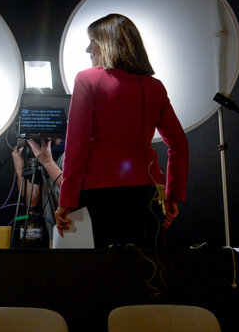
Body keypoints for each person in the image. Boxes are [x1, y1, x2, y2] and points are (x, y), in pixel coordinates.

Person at [55, 13, 189, 248]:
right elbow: (179, 144)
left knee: (101, 276)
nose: (88, 49)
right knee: (147, 275)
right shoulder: (154, 86)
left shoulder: (87, 79)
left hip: (98, 194)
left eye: (93, 41)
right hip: (147, 194)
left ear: (107, 44)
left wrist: (66, 200)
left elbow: (77, 145)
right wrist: (173, 194)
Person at [11, 137, 65, 243]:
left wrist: (48, 162)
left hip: (79, 229)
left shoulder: (72, 148)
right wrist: (19, 169)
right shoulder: (39, 154)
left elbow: (72, 189)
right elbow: (32, 200)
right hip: (55, 238)